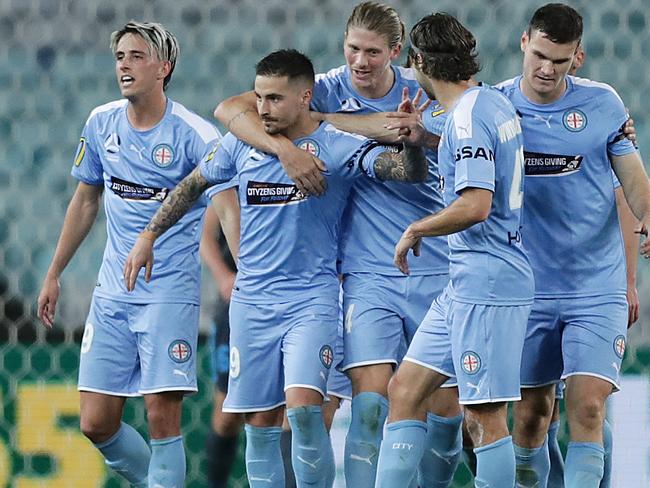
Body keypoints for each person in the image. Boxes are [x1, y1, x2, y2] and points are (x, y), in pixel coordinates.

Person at [123, 49, 429, 488]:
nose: (262, 108)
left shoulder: (337, 145)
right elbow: (192, 185)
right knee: (260, 422)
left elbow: (405, 173)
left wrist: (413, 145)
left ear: (306, 97)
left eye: (274, 99)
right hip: (252, 303)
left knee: (304, 410)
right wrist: (148, 236)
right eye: (260, 97)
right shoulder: (241, 144)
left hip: (312, 299)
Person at [214, 4, 461, 487]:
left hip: (434, 265)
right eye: (352, 48)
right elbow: (229, 110)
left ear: (397, 52)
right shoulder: (325, 87)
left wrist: (401, 132)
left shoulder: (423, 90)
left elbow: (427, 150)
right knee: (368, 405)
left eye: (373, 51)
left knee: (446, 414)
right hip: (366, 275)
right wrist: (289, 146)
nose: (360, 61)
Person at [36, 21, 221, 487]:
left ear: (164, 67)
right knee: (95, 421)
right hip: (113, 292)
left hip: (169, 293)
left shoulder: (194, 134)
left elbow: (227, 206)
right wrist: (55, 272)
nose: (124, 64)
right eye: (120, 55)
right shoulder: (101, 122)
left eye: (137, 56)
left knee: (162, 418)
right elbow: (85, 199)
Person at [377, 12, 534, 488]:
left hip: (488, 282)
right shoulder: (489, 103)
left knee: (484, 417)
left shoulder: (466, 117)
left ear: (418, 60)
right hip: (466, 283)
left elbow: (476, 204)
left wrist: (417, 229)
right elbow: (478, 155)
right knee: (404, 390)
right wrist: (425, 138)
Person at [495, 4, 650, 487]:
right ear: (524, 43)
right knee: (529, 417)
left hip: (593, 286)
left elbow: (632, 184)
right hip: (527, 287)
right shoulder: (495, 107)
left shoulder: (603, 105)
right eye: (539, 55)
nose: (546, 69)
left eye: (559, 61)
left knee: (587, 406)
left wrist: (649, 219)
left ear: (577, 58)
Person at [200, 188, 244, 488]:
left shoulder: (296, 164)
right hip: (233, 306)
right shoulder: (234, 165)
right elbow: (205, 236)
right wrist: (223, 276)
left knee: (286, 410)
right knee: (228, 411)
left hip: (281, 300)